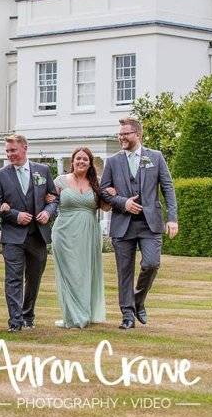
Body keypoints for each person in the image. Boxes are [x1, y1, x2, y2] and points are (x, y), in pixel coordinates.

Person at [100, 117, 178, 330]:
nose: (121, 137)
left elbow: (168, 189)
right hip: (122, 224)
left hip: (150, 224)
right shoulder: (113, 161)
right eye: (120, 134)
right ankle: (127, 315)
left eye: (125, 134)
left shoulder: (156, 157)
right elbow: (104, 191)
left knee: (151, 264)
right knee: (124, 271)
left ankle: (138, 300)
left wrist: (172, 218)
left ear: (138, 134)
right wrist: (123, 202)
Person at [0, 134, 58, 332]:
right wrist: (15, 215)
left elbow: (53, 199)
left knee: (34, 278)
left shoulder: (42, 170)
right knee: (13, 278)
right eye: (7, 151)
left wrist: (47, 212)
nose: (10, 154)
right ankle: (15, 321)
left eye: (13, 150)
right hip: (13, 236)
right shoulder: (0, 175)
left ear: (25, 148)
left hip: (38, 235)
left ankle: (28, 314)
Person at [49, 147, 107, 329]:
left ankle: (84, 313)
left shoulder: (96, 183)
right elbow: (49, 202)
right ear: (72, 161)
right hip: (64, 232)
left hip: (89, 232)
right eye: (78, 159)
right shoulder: (60, 181)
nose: (81, 162)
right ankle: (72, 316)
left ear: (90, 164)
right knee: (69, 273)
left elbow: (105, 208)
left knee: (84, 272)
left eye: (85, 159)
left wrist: (111, 195)